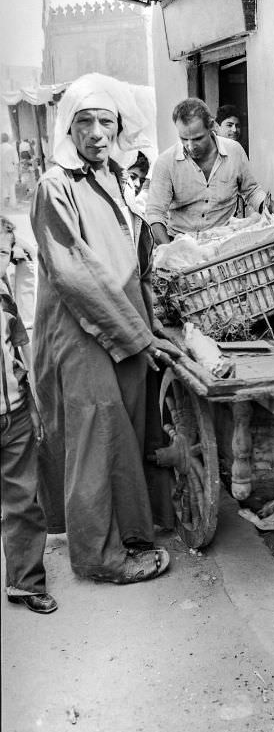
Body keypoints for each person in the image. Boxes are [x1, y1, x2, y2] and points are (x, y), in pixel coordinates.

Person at [30, 72, 183, 584]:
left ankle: (129, 532)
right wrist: (137, 335)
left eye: (106, 122)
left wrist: (152, 325)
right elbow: (76, 272)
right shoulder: (57, 186)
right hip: (79, 333)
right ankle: (99, 558)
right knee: (97, 436)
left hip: (120, 323)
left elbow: (133, 265)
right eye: (86, 122)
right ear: (69, 130)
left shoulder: (114, 177)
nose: (97, 132)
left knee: (124, 432)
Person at [1, 217, 57, 613]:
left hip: (13, 411)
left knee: (23, 501)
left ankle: (25, 581)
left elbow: (20, 351)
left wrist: (32, 407)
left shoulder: (5, 296)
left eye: (4, 253)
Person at [146, 98, 274, 245]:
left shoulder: (234, 151)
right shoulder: (166, 162)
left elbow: (251, 191)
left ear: (212, 126)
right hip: (181, 244)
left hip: (225, 245)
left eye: (197, 138)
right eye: (184, 139)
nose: (190, 146)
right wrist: (169, 251)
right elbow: (155, 214)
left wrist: (273, 208)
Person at [1, 133, 19, 210]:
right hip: (11, 169)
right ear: (8, 139)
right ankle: (13, 203)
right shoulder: (11, 148)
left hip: (2, 169)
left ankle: (5, 200)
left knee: (4, 184)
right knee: (12, 185)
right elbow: (16, 161)